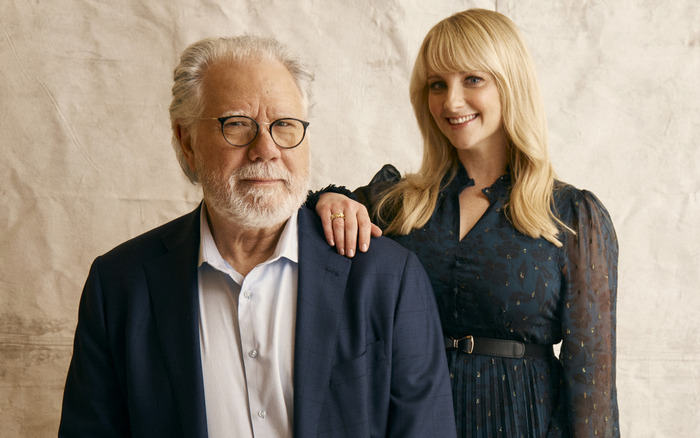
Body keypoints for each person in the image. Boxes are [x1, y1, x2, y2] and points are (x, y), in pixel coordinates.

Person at [59, 35, 456, 438]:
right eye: (236, 125)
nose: (264, 149)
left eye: (284, 125)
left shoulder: (387, 277)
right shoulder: (119, 285)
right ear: (187, 142)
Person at [311, 9, 619, 437]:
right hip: (409, 420)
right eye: (437, 84)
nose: (451, 102)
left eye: (473, 79)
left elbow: (593, 389)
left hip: (522, 424)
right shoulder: (398, 204)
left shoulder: (569, 216)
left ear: (510, 85)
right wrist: (330, 200)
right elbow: (303, 241)